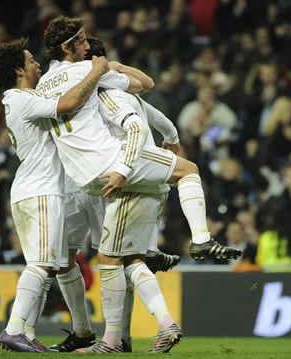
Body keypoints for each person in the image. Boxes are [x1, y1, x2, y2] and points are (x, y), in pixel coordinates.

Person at [39, 17, 242, 352]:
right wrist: (108, 68)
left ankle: (115, 339)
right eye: (83, 42)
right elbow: (145, 87)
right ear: (70, 47)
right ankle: (199, 241)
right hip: (120, 167)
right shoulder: (99, 83)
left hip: (85, 178)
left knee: (114, 259)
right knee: (188, 171)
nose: (88, 47)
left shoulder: (46, 83)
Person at [0, 37, 117, 353]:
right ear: (19, 70)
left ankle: (29, 332)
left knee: (51, 266)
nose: (37, 64)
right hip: (41, 190)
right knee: (41, 265)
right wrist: (96, 70)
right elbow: (70, 103)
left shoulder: (23, 99)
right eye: (31, 60)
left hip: (33, 189)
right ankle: (14, 328)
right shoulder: (21, 99)